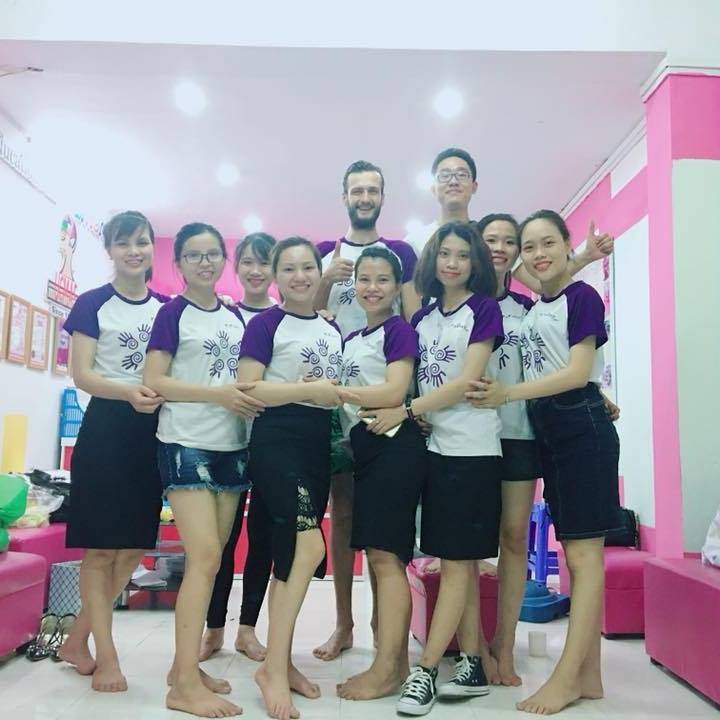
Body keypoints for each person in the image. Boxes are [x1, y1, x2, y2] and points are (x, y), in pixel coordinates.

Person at [467, 210, 622, 715]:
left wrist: (511, 394)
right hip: (552, 430)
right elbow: (556, 357)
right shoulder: (538, 308)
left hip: (578, 429)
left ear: (565, 244)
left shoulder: (582, 297)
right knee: (577, 553)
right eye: (529, 246)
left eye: (547, 243)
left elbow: (576, 373)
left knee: (583, 559)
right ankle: (590, 677)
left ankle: (566, 679)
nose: (537, 254)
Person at [360, 222, 503, 716]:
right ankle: (472, 663)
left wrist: (407, 410)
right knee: (451, 557)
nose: (453, 263)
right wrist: (415, 414)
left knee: (460, 562)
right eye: (445, 253)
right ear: (432, 260)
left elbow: (467, 381)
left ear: (475, 262)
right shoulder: (420, 318)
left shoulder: (484, 310)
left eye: (463, 254)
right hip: (433, 448)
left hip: (472, 449)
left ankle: (424, 670)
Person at [144, 222, 264, 718]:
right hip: (185, 442)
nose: (205, 262)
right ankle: (184, 687)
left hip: (232, 446)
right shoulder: (172, 313)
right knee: (206, 557)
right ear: (178, 264)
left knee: (214, 562)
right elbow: (155, 381)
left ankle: (184, 670)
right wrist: (217, 395)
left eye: (213, 253)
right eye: (193, 255)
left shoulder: (234, 317)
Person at [312, 160, 419, 662]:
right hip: (337, 400)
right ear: (344, 196)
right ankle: (343, 624)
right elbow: (306, 313)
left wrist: (410, 402)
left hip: (384, 406)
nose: (364, 197)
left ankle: (383, 627)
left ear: (382, 196)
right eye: (356, 189)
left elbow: (413, 318)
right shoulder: (325, 254)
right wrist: (324, 279)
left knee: (380, 526)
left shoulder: (400, 254)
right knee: (343, 516)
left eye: (372, 189)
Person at [237, 237, 347, 720]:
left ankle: (278, 663)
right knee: (309, 547)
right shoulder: (265, 324)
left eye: (308, 268)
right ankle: (273, 671)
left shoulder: (331, 328)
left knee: (289, 559)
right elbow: (247, 387)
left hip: (315, 446)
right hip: (276, 441)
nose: (300, 276)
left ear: (319, 273)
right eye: (289, 269)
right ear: (276, 276)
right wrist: (306, 390)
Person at [59, 210, 168, 692]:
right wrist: (127, 391)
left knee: (134, 546)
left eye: (141, 241)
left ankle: (75, 640)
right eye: (123, 243)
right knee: (102, 548)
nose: (133, 251)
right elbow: (82, 374)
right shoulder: (92, 303)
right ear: (109, 250)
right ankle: (106, 656)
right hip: (106, 430)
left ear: (151, 247)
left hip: (152, 434)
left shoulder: (166, 309)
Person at [332, 247, 426, 701]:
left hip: (395, 449)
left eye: (382, 279)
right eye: (364, 279)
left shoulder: (399, 330)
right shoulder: (352, 339)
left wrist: (335, 391)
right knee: (378, 558)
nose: (372, 287)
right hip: (366, 451)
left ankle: (387, 670)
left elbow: (394, 391)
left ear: (397, 286)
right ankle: (396, 663)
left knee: (387, 560)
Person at [200, 232, 278, 663]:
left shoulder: (285, 318)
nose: (255, 270)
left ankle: (247, 630)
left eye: (264, 263)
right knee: (221, 541)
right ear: (236, 266)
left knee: (262, 538)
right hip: (224, 439)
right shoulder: (223, 316)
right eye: (247, 262)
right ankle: (213, 628)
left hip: (268, 442)